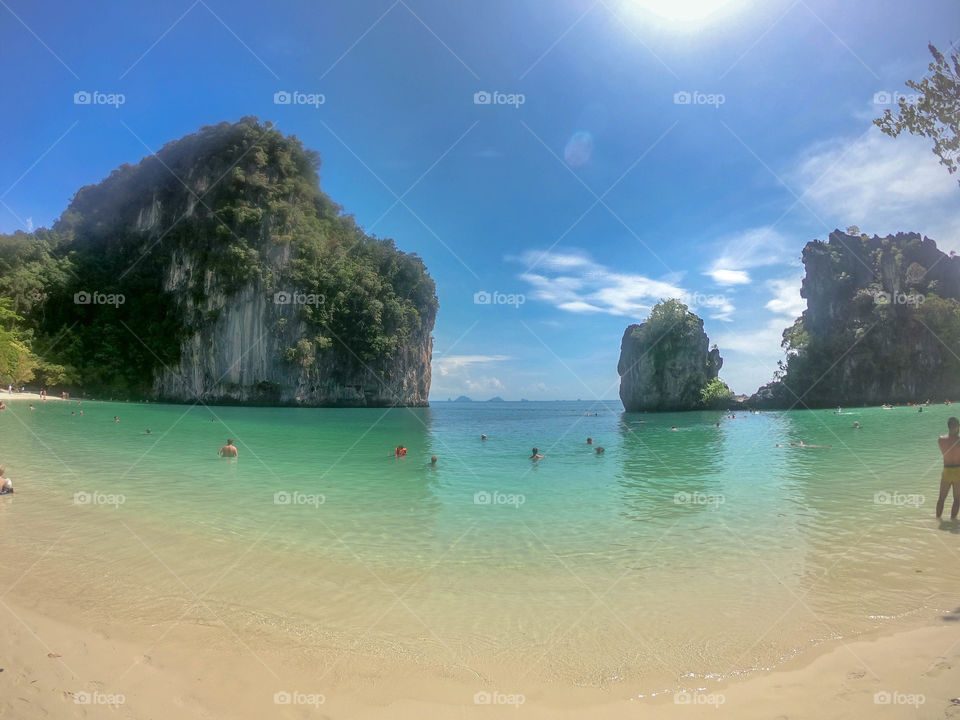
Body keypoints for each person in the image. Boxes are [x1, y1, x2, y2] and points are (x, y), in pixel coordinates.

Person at [936, 417, 960, 520]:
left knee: (941, 498)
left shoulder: (941, 440)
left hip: (946, 471)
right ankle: (952, 521)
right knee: (957, 499)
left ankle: (937, 519)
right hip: (958, 471)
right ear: (957, 427)